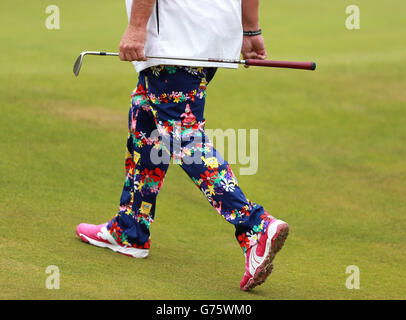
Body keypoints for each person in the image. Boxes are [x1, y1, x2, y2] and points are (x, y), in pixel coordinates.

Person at [76, 0, 289, 291]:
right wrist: (250, 30)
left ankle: (255, 226)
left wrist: (137, 28)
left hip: (175, 38)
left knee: (183, 138)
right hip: (212, 34)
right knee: (146, 120)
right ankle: (131, 227)